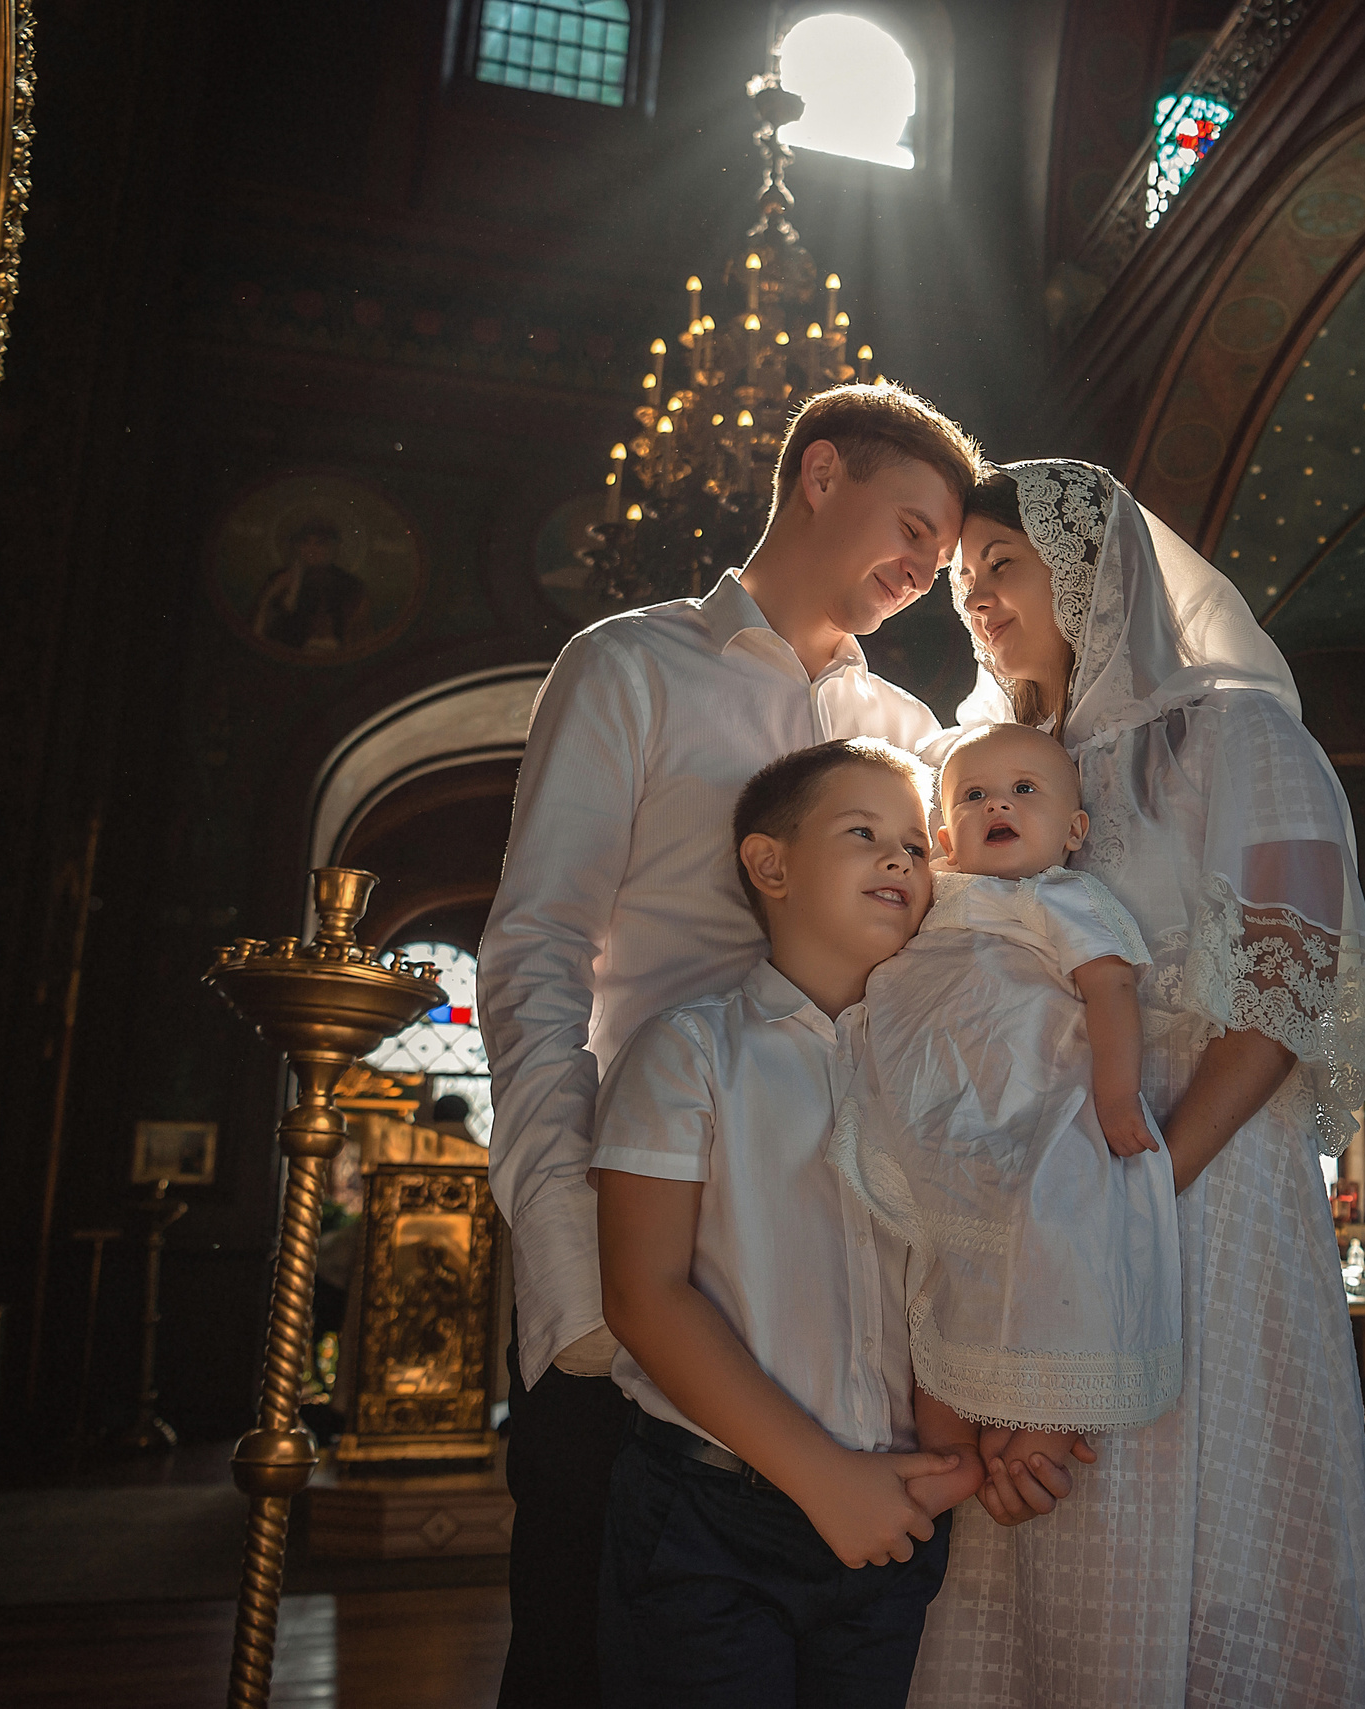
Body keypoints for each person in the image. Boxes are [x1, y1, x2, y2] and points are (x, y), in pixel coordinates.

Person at [477, 382, 987, 1709]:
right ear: (820, 474)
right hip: (643, 1249)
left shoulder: (909, 738)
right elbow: (538, 950)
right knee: (583, 1665)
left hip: (840, 1280)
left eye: (944, 553)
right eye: (914, 526)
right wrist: (571, 1264)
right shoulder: (632, 665)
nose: (927, 568)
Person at [908, 461, 1365, 1707]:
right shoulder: (994, 770)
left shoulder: (1239, 737)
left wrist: (1130, 1203)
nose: (975, 599)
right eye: (961, 582)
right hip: (1037, 1194)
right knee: (1040, 1530)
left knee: (1208, 1529)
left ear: (1089, 568)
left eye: (1001, 565)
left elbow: (1283, 993)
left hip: (1202, 1181)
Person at [594, 740, 979, 1708]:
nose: (899, 858)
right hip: (708, 1515)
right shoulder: (688, 1050)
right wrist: (822, 1477)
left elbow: (963, 1276)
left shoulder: (942, 1070)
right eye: (863, 833)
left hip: (897, 1514)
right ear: (770, 864)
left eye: (915, 845)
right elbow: (643, 1292)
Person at [834, 721, 1182, 1484]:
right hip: (945, 1114)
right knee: (943, 1273)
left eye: (1025, 790)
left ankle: (1043, 1427)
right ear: (944, 838)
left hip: (1030, 1107)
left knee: (1049, 1250)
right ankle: (950, 1451)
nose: (999, 804)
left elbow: (1110, 986)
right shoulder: (936, 894)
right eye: (974, 795)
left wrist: (1117, 1093)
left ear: (1073, 831)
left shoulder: (1060, 895)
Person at [253, 520, 368, 655]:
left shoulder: (350, 585)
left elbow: (359, 632)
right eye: (305, 543)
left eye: (320, 544)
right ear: (297, 547)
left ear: (333, 548)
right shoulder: (281, 579)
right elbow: (260, 628)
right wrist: (274, 594)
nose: (311, 550)